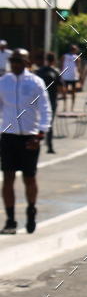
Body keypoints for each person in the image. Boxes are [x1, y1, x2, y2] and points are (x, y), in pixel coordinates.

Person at [0, 49, 51, 234]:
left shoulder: (36, 83)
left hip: (30, 136)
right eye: (12, 60)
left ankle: (31, 211)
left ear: (26, 62)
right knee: (8, 178)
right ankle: (10, 220)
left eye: (18, 61)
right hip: (9, 136)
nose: (14, 64)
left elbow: (45, 109)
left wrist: (40, 134)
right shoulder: (3, 81)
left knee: (29, 178)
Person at [36, 52, 62, 154]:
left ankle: (36, 141)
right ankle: (49, 146)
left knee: (38, 122)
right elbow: (60, 87)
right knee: (49, 124)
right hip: (51, 100)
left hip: (39, 100)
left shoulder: (39, 71)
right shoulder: (55, 72)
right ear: (54, 60)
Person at [59, 44, 80, 111]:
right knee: (71, 92)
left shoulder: (65, 56)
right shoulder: (75, 57)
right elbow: (78, 67)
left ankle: (66, 107)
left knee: (66, 91)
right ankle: (70, 107)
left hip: (68, 76)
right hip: (72, 76)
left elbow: (61, 65)